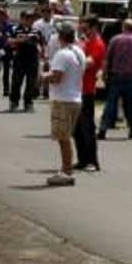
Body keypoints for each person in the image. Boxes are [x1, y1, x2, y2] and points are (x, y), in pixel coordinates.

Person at [43, 21, 84, 185]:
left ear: (61, 37)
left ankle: (66, 171)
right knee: (65, 136)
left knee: (63, 137)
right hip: (74, 97)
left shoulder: (62, 54)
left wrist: (43, 76)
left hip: (63, 99)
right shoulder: (78, 51)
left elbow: (56, 77)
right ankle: (66, 169)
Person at [100, 19, 132, 139]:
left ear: (123, 27)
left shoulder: (115, 40)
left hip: (116, 76)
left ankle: (103, 129)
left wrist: (104, 73)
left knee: (111, 103)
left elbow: (108, 58)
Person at [73, 16, 106, 171]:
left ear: (94, 28)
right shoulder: (84, 42)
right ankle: (82, 159)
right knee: (77, 128)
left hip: (87, 90)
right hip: (77, 89)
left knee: (87, 127)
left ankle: (92, 161)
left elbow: (89, 62)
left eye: (85, 29)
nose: (83, 32)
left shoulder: (97, 44)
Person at [7, 9, 39, 111]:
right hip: (20, 59)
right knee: (16, 81)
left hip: (32, 59)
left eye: (31, 18)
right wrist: (19, 40)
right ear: (22, 19)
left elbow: (41, 43)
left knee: (31, 82)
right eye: (27, 18)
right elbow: (9, 41)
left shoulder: (36, 31)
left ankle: (28, 102)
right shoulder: (15, 30)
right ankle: (14, 102)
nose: (29, 20)